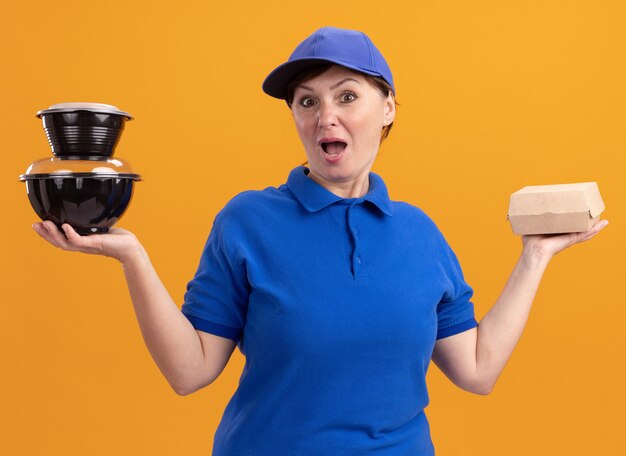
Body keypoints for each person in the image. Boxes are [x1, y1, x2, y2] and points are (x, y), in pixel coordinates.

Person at [32, 26, 608, 455]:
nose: (325, 116)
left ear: (387, 109)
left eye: (347, 96)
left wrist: (536, 255)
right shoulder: (247, 221)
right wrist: (132, 257)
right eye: (307, 101)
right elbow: (191, 372)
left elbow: (477, 371)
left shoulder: (421, 233)